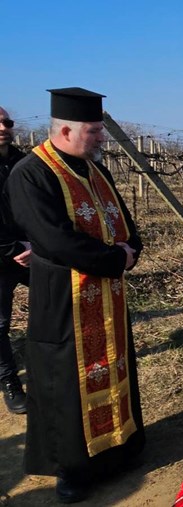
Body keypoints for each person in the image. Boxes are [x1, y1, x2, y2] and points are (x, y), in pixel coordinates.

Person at [7, 88, 144, 503]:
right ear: (66, 130)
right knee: (65, 382)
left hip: (108, 297)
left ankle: (117, 451)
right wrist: (115, 258)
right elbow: (55, 240)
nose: (102, 138)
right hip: (64, 299)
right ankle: (72, 468)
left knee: (115, 368)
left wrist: (131, 249)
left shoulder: (96, 170)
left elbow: (127, 225)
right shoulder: (31, 173)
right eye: (94, 130)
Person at [0, 106, 30, 414]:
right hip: (4, 255)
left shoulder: (24, 163)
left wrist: (38, 244)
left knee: (63, 298)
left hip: (32, 252)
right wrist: (12, 248)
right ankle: (10, 383)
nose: (3, 127)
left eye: (7, 122)